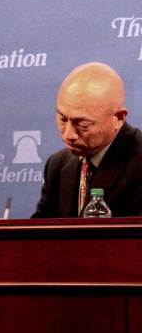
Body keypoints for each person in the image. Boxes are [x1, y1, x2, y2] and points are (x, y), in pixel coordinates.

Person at [32, 61, 142, 218]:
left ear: (118, 118)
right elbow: (40, 233)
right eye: (63, 119)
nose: (69, 134)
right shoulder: (57, 165)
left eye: (83, 124)